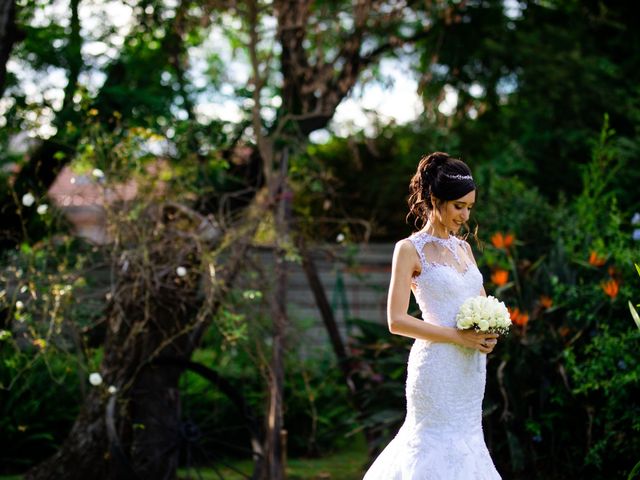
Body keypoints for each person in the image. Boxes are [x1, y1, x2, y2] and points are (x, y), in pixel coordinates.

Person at [362, 152, 502, 479]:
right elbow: (396, 320)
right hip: (436, 367)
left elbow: (481, 303)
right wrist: (458, 336)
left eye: (469, 207)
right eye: (458, 206)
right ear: (435, 200)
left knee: (468, 443)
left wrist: (489, 333)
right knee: (433, 444)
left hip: (469, 370)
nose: (465, 215)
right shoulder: (410, 249)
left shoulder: (464, 249)